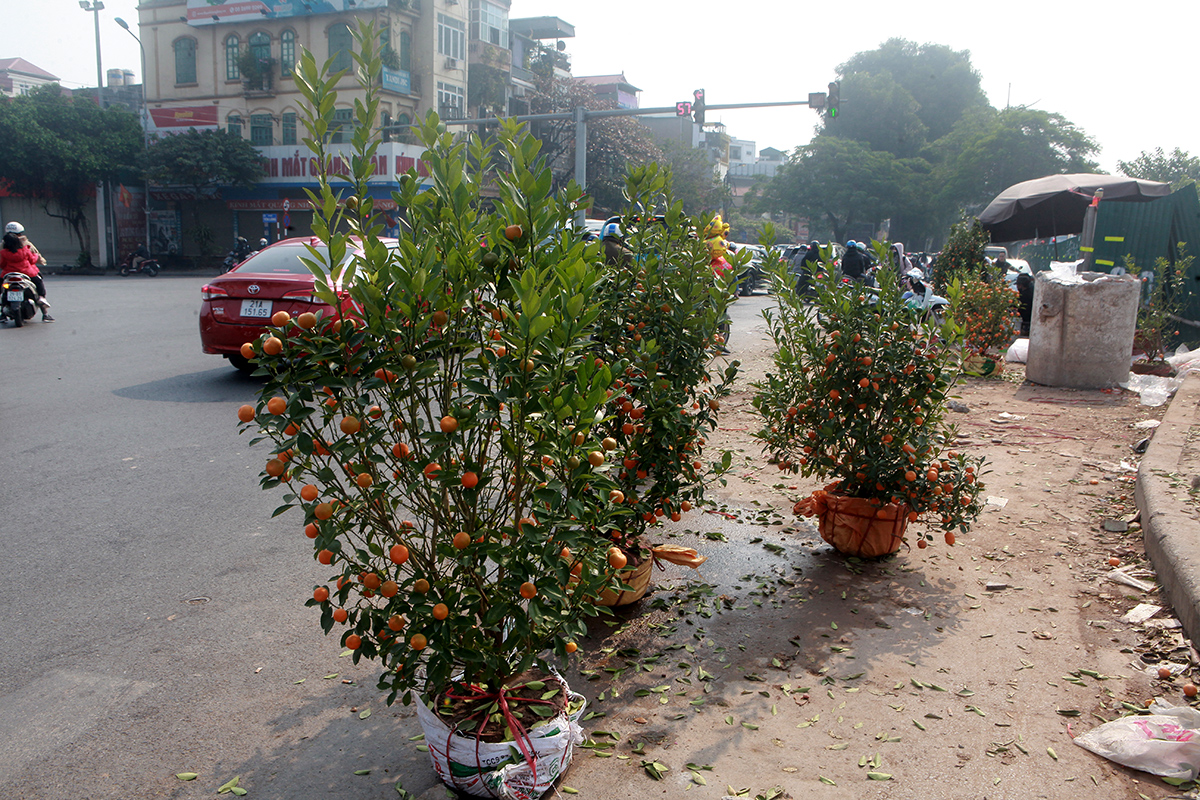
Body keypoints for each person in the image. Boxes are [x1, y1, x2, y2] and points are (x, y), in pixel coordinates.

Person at [1, 230, 53, 321]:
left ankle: (2, 310)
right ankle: (42, 301)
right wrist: (36, 256)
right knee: (38, 282)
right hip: (27, 273)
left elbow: (2, 264)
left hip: (9, 273)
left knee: (2, 287)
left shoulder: (3, 252)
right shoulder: (25, 249)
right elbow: (32, 260)